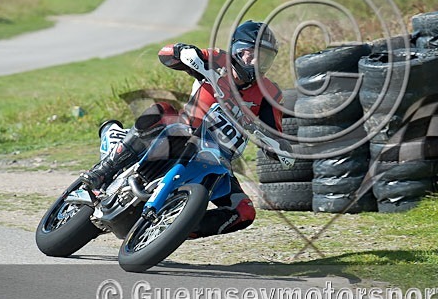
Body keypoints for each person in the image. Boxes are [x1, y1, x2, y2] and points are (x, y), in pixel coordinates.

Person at [80, 20, 288, 239]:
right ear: (237, 49)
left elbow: (275, 131)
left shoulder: (270, 93)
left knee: (244, 212)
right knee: (161, 110)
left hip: (219, 159)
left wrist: (280, 147)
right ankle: (105, 169)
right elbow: (167, 54)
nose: (256, 62)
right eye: (251, 54)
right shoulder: (217, 59)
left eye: (264, 57)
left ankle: (176, 230)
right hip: (183, 132)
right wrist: (182, 52)